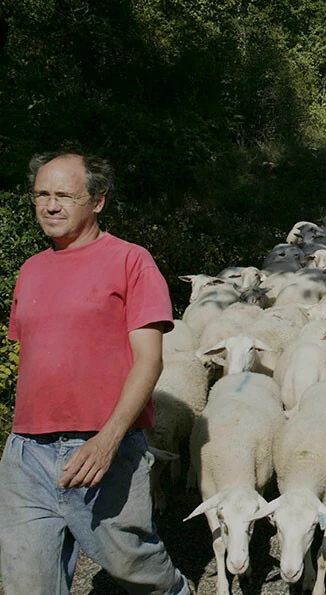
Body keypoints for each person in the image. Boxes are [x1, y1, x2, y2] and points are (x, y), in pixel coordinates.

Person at [0, 152, 192, 594]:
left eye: (65, 196)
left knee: (133, 565)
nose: (50, 206)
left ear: (98, 200)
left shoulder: (131, 261)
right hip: (27, 453)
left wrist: (107, 441)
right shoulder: (30, 270)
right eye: (41, 195)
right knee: (27, 583)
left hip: (104, 446)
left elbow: (150, 359)